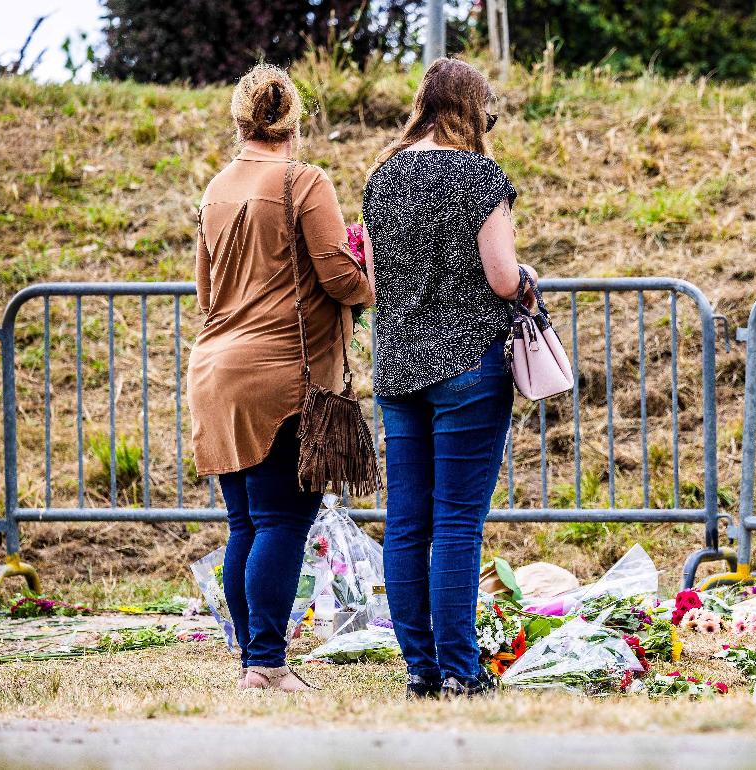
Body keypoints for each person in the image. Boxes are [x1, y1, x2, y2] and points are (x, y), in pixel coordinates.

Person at [188, 64, 374, 692]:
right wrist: (372, 269)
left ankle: (254, 661)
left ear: (240, 119)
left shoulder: (215, 189)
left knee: (247, 525)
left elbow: (206, 292)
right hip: (278, 378)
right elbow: (340, 279)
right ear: (295, 122)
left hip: (216, 370)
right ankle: (265, 665)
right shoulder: (305, 180)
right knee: (282, 524)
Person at [363, 58, 537, 699]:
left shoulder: (383, 176)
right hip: (468, 363)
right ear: (472, 110)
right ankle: (464, 671)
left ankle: (421, 669)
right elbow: (500, 276)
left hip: (400, 367)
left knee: (406, 523)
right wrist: (527, 281)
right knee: (458, 524)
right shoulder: (481, 176)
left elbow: (379, 281)